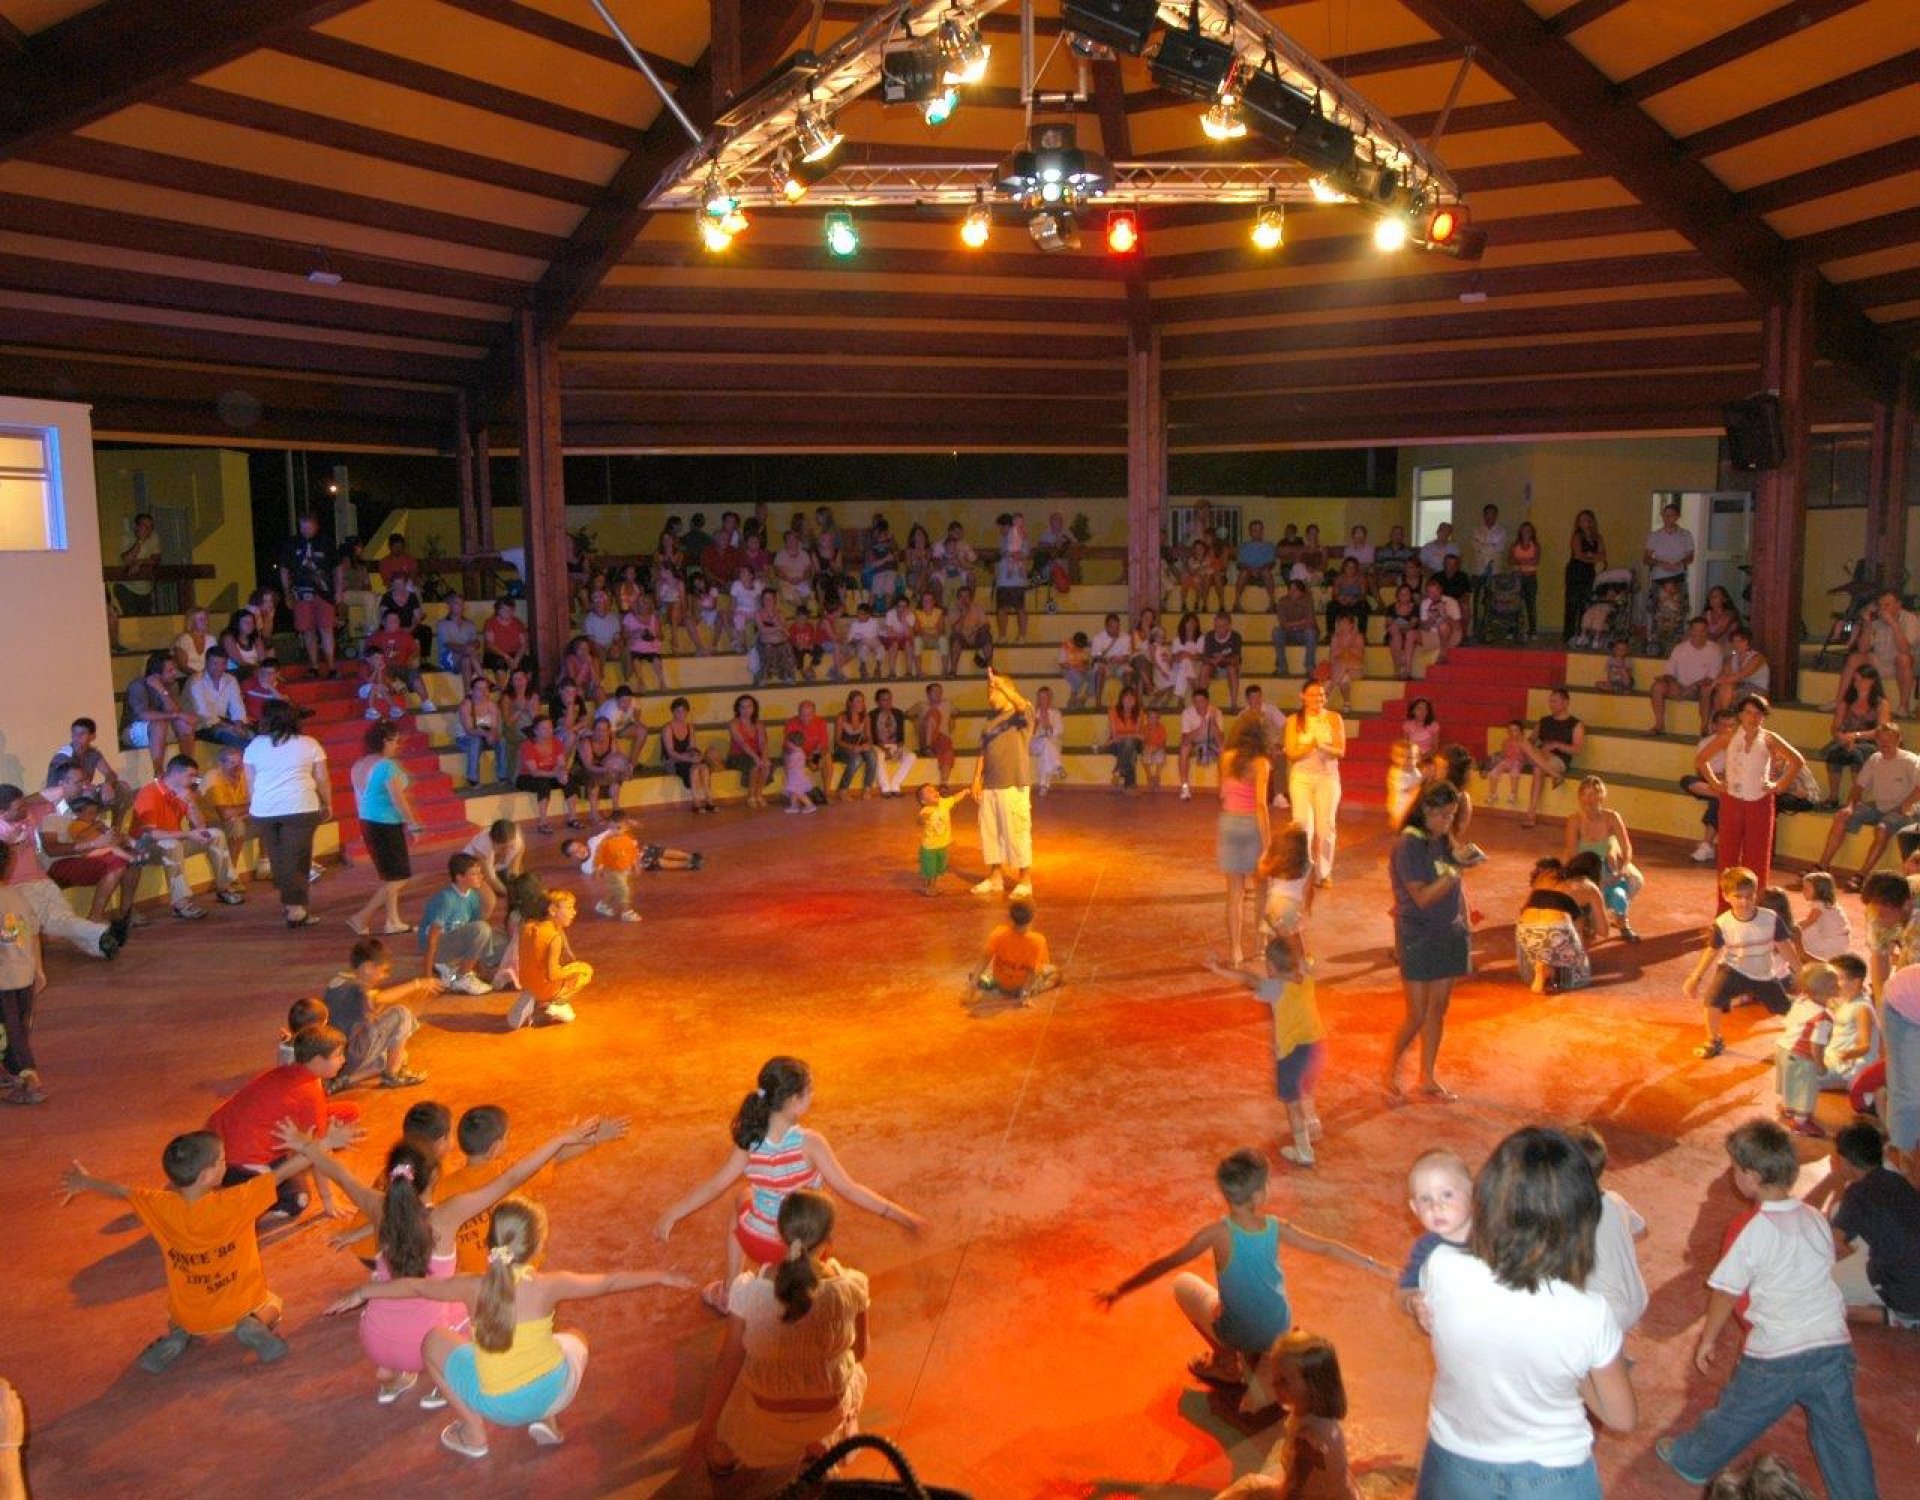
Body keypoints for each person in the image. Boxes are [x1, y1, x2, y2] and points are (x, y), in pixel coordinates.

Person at [328, 1195, 691, 1459]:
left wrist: (364, 1291)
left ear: (491, 1244)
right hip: (555, 1390)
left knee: (434, 1341)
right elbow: (609, 1281)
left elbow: (416, 1285)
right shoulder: (550, 1284)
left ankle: (473, 1435)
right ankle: (547, 1420)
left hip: (497, 1408)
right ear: (537, 1247)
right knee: (573, 1338)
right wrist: (661, 1276)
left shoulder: (472, 1286)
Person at [1656, 1122, 1877, 1500]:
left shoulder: (1750, 1229)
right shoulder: (1814, 1218)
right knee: (1843, 1435)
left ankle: (1691, 1460)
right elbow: (1824, 1266)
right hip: (1832, 1345)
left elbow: (1726, 1292)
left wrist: (1707, 1340)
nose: (1732, 1174)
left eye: (1735, 1168)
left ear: (1752, 1177)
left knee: (1735, 1414)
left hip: (1775, 1355)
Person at [1415, 1127, 1635, 1499]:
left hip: (1455, 1461)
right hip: (1553, 1475)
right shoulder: (1589, 1314)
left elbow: (1441, 1327)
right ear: (1581, 1220)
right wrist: (1576, 1375)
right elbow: (1622, 1417)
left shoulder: (1441, 1267)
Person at [58, 1120, 358, 1374]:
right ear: (207, 1175)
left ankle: (179, 1333)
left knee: (179, 1315)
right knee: (274, 1302)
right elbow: (284, 1171)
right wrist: (325, 1141)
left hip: (191, 1314)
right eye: (222, 1161)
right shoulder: (237, 1201)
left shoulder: (159, 1205)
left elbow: (123, 1192)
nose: (225, 1164)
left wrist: (86, 1182)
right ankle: (252, 1323)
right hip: (239, 1304)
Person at [1094, 1148, 1385, 1403]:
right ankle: (1264, 1361)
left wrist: (1120, 1290)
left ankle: (1226, 1363)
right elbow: (1327, 1248)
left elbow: (1168, 1262)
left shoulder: (1215, 1234)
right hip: (1278, 1328)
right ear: (1259, 1194)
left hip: (1239, 1332)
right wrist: (1380, 1267)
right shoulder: (1275, 1226)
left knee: (1183, 1284)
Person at [654, 1056, 925, 1313]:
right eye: (809, 1091)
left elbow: (714, 1186)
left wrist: (672, 1214)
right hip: (805, 1246)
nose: (813, 1096)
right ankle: (807, 1281)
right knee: (815, 1212)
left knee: (742, 1200)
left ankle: (729, 1292)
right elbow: (850, 1189)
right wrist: (903, 1217)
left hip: (759, 1244)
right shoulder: (811, 1143)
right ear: (795, 1101)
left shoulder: (749, 1142)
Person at [691, 1189, 871, 1480]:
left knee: (734, 1405)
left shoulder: (748, 1291)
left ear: (779, 1234)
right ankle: (823, 1443)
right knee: (849, 1368)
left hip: (766, 1417)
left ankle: (726, 1457)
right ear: (830, 1241)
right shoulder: (852, 1287)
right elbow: (860, 1353)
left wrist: (706, 1427)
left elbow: (728, 1364)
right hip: (827, 1412)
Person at [208, 1023, 360, 1219]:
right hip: (239, 1163)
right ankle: (245, 1211)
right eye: (338, 1055)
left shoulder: (290, 1070)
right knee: (298, 1200)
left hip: (219, 1144)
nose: (343, 1060)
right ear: (317, 1060)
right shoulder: (310, 1092)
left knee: (350, 1111)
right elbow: (318, 1153)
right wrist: (329, 1200)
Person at [1384, 783, 1470, 1103]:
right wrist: (1454, 870)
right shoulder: (1409, 846)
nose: (1449, 822)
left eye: (1452, 815)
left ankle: (1428, 1076)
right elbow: (1421, 897)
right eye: (1445, 816)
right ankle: (1390, 1068)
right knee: (1417, 1013)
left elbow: (1454, 888)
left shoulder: (1440, 838)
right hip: (1419, 935)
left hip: (1449, 932)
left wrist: (1464, 922)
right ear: (1427, 811)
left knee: (1439, 1009)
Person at [1804, 1118, 1920, 1327]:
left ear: (1845, 1162)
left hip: (1903, 1289)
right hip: (1909, 1273)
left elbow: (1835, 1246)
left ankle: (1897, 1317)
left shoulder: (1858, 1193)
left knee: (1811, 1290)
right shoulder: (1897, 1180)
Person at [1696, 695, 1807, 896]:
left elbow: (1797, 761)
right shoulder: (1728, 737)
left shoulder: (1770, 738)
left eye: (1758, 713)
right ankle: (1725, 907)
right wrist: (1715, 783)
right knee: (1727, 854)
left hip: (1760, 802)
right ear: (1740, 715)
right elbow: (1701, 760)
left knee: (1758, 856)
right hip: (1732, 801)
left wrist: (1779, 785)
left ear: (1763, 717)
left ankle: (1756, 904)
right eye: (1748, 712)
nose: (1753, 717)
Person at [1683, 866, 1798, 1060]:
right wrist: (1696, 977)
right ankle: (1714, 1040)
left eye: (1749, 896)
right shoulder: (1723, 923)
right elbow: (1712, 950)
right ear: (1726, 896)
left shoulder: (1770, 919)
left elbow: (1785, 946)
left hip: (1764, 974)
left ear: (1756, 894)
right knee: (1712, 999)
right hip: (1733, 969)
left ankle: (1810, 1027)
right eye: (1738, 896)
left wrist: (1801, 971)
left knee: (1784, 1007)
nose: (1744, 902)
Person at [243, 699, 330, 928]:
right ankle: (295, 909)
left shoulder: (254, 745)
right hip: (300, 807)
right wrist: (327, 803)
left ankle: (289, 902)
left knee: (278, 858)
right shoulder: (309, 743)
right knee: (297, 859)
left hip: (264, 809)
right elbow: (321, 779)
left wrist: (257, 805)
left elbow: (250, 782)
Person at [130, 755, 244, 920]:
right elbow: (152, 834)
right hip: (146, 845)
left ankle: (224, 888)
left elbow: (200, 828)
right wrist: (188, 834)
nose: (194, 780)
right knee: (172, 845)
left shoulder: (183, 792)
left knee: (215, 834)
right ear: (176, 774)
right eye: (190, 776)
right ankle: (180, 904)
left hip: (176, 839)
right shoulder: (149, 792)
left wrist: (191, 804)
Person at [1564, 1124, 1649, 1339]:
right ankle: (1612, 1353)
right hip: (1637, 1297)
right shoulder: (1615, 1199)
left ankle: (1596, 1364)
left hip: (1607, 1311)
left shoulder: (1569, 1214)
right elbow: (1642, 1231)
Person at [322, 935, 438, 1090]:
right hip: (349, 1055)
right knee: (401, 1014)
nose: (385, 976)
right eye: (383, 971)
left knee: (398, 1056)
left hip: (337, 1056)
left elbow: (368, 1008)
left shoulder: (338, 980)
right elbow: (377, 998)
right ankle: (392, 1075)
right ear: (368, 967)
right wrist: (417, 984)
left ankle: (346, 1080)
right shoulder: (358, 989)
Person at [346, 721, 421, 937]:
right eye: (395, 741)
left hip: (369, 822)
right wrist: (413, 824)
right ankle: (362, 917)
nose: (398, 745)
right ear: (385, 741)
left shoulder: (360, 764)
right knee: (399, 877)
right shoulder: (387, 766)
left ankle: (392, 920)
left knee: (390, 877)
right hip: (385, 824)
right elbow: (399, 800)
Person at [970, 668, 1035, 900]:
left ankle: (1025, 880)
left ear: (1006, 691)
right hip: (991, 784)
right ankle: (995, 876)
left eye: (993, 691)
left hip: (1013, 783)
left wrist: (1002, 684)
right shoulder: (990, 722)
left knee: (1016, 831)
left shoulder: (1021, 715)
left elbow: (1022, 706)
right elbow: (983, 751)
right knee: (991, 831)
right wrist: (977, 778)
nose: (990, 697)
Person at [1216, 712, 1274, 967]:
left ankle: (1235, 950)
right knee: (1262, 888)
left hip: (1228, 822)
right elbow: (1261, 805)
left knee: (1234, 893)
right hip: (1251, 824)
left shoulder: (1226, 758)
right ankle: (1260, 946)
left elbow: (1221, 793)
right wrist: (1268, 842)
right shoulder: (1261, 763)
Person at [1395, 1147, 1474, 1322]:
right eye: (1425, 1199)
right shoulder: (1426, 1249)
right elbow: (1402, 1291)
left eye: (1447, 1195)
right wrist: (1412, 1303)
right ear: (1415, 1209)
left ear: (1472, 1194)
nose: (1436, 1207)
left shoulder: (1494, 1233)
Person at [1562, 775, 1643, 942]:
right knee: (1589, 889)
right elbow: (1572, 853)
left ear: (1601, 796)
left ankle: (1621, 920)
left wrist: (1622, 869)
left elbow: (1627, 847)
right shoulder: (1574, 820)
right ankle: (1588, 913)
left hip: (1608, 864)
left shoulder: (1612, 817)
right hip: (1584, 867)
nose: (1588, 800)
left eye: (1592, 794)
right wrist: (1592, 880)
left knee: (1635, 880)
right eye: (1584, 795)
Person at [1283, 681, 1344, 889]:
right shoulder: (1293, 720)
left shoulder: (1334, 718)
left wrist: (1323, 746)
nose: (1317, 699)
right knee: (1302, 825)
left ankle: (1324, 871)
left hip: (1327, 778)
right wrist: (1310, 745)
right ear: (1302, 696)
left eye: (1321, 695)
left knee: (1326, 826)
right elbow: (1291, 753)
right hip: (1301, 778)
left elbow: (1341, 751)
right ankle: (1303, 867)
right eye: (1312, 695)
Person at [0, 842, 47, 1105]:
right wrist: (38, 969)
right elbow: (32, 933)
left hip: (3, 981)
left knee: (11, 1034)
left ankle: (30, 1082)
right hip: (24, 976)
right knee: (15, 1028)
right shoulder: (16, 896)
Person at [506, 888, 590, 1029]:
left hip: (525, 982)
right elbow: (553, 974)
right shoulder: (553, 937)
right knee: (585, 971)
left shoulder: (527, 927)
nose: (574, 912)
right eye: (569, 908)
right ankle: (554, 1003)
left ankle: (532, 998)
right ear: (552, 910)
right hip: (545, 988)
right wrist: (571, 971)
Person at [420, 853, 501, 993]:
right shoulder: (447, 900)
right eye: (474, 874)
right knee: (482, 929)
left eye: (480, 873)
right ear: (460, 877)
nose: (481, 877)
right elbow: (432, 939)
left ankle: (454, 974)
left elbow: (476, 928)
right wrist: (427, 977)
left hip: (453, 944)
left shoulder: (473, 896)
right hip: (440, 948)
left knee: (500, 938)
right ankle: (461, 977)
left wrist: (480, 969)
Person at [1515, 858, 1591, 994]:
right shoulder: (1577, 887)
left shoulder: (1538, 887)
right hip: (1557, 931)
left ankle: (1542, 964)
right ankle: (1552, 970)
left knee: (1534, 936)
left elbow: (1522, 914)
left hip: (1526, 932)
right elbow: (1580, 930)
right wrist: (1580, 956)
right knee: (1580, 976)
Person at [969, 896, 1060, 1003]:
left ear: (1009, 917)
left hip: (1001, 981)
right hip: (1019, 987)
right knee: (1055, 972)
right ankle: (1032, 990)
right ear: (1033, 917)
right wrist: (1025, 994)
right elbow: (1033, 971)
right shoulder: (1038, 941)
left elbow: (985, 958)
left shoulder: (998, 933)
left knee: (994, 973)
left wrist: (974, 981)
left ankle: (991, 981)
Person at [279, 512, 337, 677]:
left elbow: (336, 567)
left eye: (309, 527)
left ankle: (332, 666)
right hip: (301, 593)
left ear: (316, 526)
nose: (306, 531)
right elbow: (284, 568)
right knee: (308, 630)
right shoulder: (293, 543)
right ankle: (314, 666)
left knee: (326, 629)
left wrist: (339, 590)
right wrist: (287, 592)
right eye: (303, 527)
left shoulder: (326, 542)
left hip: (324, 592)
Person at [1650, 614, 1723, 736]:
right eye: (1695, 630)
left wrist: (1692, 687)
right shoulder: (1680, 648)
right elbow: (1668, 673)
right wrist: (1675, 684)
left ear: (1707, 631)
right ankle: (1659, 725)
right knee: (1657, 687)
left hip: (1701, 689)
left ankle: (1704, 729)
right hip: (1680, 687)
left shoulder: (1715, 650)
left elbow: (1711, 678)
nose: (1698, 634)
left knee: (1706, 689)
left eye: (1702, 630)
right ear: (1690, 631)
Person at [187, 649, 253, 748]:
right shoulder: (196, 681)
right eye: (215, 663)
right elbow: (203, 713)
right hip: (201, 726)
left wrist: (238, 726)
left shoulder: (230, 680)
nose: (219, 668)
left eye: (223, 664)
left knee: (252, 735)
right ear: (206, 662)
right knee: (231, 737)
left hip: (223, 722)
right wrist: (229, 727)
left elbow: (237, 706)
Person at [1644, 499, 1696, 610]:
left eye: (1671, 515)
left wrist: (1680, 563)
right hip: (1659, 577)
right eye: (1665, 515)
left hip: (1678, 577)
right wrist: (1660, 563)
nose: (1667, 518)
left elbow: (1690, 557)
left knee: (1678, 607)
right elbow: (1646, 559)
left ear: (1677, 517)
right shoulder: (1654, 535)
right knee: (1658, 608)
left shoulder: (1686, 535)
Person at [1178, 688, 1225, 801]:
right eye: (1196, 702)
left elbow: (1220, 740)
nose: (1198, 704)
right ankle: (1185, 788)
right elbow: (1184, 739)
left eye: (1201, 701)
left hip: (1212, 741)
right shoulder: (1187, 713)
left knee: (1223, 749)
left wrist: (1213, 724)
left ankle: (1224, 788)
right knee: (1184, 749)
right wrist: (1199, 729)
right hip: (1195, 741)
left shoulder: (1216, 712)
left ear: (1207, 701)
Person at [1712, 626, 1770, 714]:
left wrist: (1714, 682)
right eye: (1734, 642)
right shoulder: (1730, 659)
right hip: (1739, 686)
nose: (1736, 644)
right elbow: (1726, 676)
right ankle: (1722, 719)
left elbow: (1740, 676)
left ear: (1747, 642)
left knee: (1727, 693)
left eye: (1740, 641)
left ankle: (1725, 715)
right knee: (1719, 693)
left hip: (1757, 688)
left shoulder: (1757, 658)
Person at [1201, 612, 1244, 710]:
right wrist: (1214, 661)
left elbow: (1237, 660)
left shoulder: (1236, 636)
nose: (1219, 629)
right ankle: (1200, 701)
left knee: (1231, 669)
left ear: (1229, 626)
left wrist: (1223, 659)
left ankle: (1233, 703)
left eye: (1222, 626)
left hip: (1229, 667)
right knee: (1204, 668)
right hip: (1214, 667)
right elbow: (1205, 657)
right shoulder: (1210, 635)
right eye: (1217, 626)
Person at [1233, 520, 1278, 611]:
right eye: (1255, 530)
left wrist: (1261, 569)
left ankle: (1272, 603)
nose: (1258, 533)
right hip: (1248, 574)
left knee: (1266, 572)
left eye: (1260, 530)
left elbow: (1272, 563)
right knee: (1243, 572)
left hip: (1263, 574)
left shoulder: (1269, 546)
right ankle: (1237, 603)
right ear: (1250, 532)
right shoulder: (1244, 546)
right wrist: (1250, 569)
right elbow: (1239, 564)